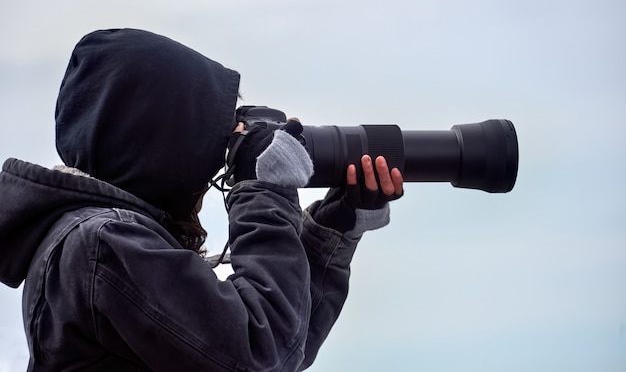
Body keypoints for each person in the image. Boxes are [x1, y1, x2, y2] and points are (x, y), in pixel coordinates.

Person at [0, 28, 403, 371]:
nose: (217, 161)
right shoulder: (103, 242)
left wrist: (333, 229)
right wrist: (263, 187)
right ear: (163, 143)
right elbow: (261, 356)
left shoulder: (95, 241)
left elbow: (284, 346)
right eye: (212, 136)